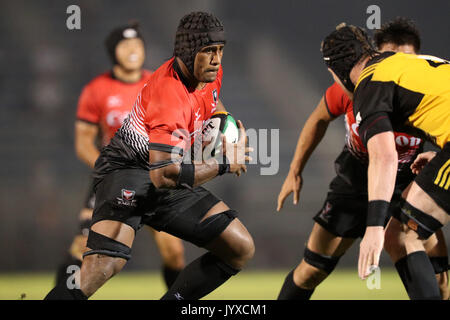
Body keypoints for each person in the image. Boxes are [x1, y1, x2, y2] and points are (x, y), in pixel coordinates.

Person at [45, 11, 254, 300]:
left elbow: (213, 103)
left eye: (220, 50)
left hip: (163, 170)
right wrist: (224, 163)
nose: (217, 59)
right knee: (101, 266)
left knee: (238, 245)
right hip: (127, 171)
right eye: (209, 51)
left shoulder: (210, 73)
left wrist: (223, 124)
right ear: (187, 51)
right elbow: (165, 175)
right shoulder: (168, 93)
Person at [277, 18, 448, 300]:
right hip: (356, 184)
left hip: (403, 181)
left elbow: (385, 157)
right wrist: (295, 169)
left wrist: (374, 229)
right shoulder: (403, 76)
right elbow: (318, 119)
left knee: (422, 257)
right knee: (311, 270)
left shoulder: (382, 81)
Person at [54, 22, 186, 290]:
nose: (133, 50)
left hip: (153, 176)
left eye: (137, 44)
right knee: (83, 247)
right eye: (125, 45)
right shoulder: (97, 89)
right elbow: (83, 144)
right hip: (112, 178)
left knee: (173, 251)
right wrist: (112, 169)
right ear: (114, 51)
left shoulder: (158, 83)